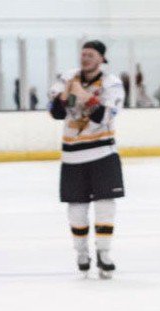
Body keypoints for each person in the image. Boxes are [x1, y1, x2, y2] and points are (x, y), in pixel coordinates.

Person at [49, 40, 125, 278]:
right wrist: (66, 97)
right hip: (72, 156)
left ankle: (104, 253)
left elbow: (102, 117)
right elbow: (57, 113)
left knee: (105, 205)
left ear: (102, 58)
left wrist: (82, 95)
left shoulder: (112, 84)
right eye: (83, 54)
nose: (85, 58)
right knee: (77, 210)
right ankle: (81, 253)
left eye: (91, 55)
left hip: (103, 153)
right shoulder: (67, 78)